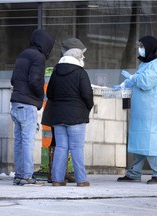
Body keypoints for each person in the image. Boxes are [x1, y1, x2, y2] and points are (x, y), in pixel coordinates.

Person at [114, 36, 157, 184]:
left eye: (142, 46)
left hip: (152, 109)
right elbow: (137, 79)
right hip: (141, 109)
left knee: (151, 140)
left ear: (150, 47)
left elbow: (145, 82)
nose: (140, 48)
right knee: (139, 141)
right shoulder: (146, 63)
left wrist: (132, 78)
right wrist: (125, 84)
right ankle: (134, 173)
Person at [45, 37, 94, 187]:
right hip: (77, 116)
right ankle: (81, 180)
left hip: (58, 116)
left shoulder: (56, 71)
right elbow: (87, 94)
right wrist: (88, 107)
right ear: (77, 55)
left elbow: (50, 94)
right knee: (76, 148)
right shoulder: (80, 73)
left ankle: (57, 180)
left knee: (61, 147)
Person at [10, 28, 55, 186]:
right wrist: (39, 97)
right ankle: (27, 176)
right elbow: (35, 80)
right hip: (27, 104)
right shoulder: (39, 57)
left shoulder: (23, 54)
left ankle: (19, 174)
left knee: (19, 141)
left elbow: (13, 79)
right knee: (28, 141)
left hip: (15, 102)